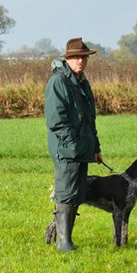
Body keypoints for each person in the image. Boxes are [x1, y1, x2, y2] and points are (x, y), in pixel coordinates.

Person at [44, 37, 103, 252]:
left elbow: (89, 120)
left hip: (82, 148)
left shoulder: (82, 82)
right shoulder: (58, 82)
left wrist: (95, 147)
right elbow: (56, 121)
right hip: (66, 150)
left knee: (77, 192)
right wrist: (75, 145)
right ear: (67, 58)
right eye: (76, 57)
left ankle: (63, 237)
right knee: (67, 192)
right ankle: (63, 242)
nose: (81, 61)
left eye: (84, 57)